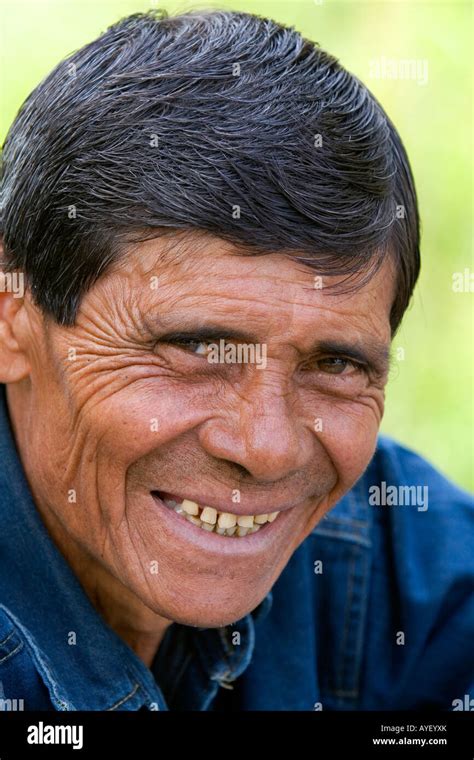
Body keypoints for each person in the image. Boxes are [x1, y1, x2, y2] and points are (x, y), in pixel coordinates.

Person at [0, 10, 472, 711]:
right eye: (196, 349)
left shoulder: (415, 583)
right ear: (14, 321)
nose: (268, 447)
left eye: (335, 366)